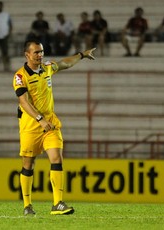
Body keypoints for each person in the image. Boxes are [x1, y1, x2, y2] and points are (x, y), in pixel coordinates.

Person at [12, 39, 95, 215]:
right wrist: (40, 119)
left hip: (50, 122)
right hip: (30, 125)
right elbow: (23, 102)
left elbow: (65, 63)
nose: (40, 55)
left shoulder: (47, 67)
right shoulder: (20, 76)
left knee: (56, 158)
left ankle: (58, 203)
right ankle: (27, 205)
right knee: (28, 164)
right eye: (36, 52)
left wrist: (81, 55)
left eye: (41, 51)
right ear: (27, 55)